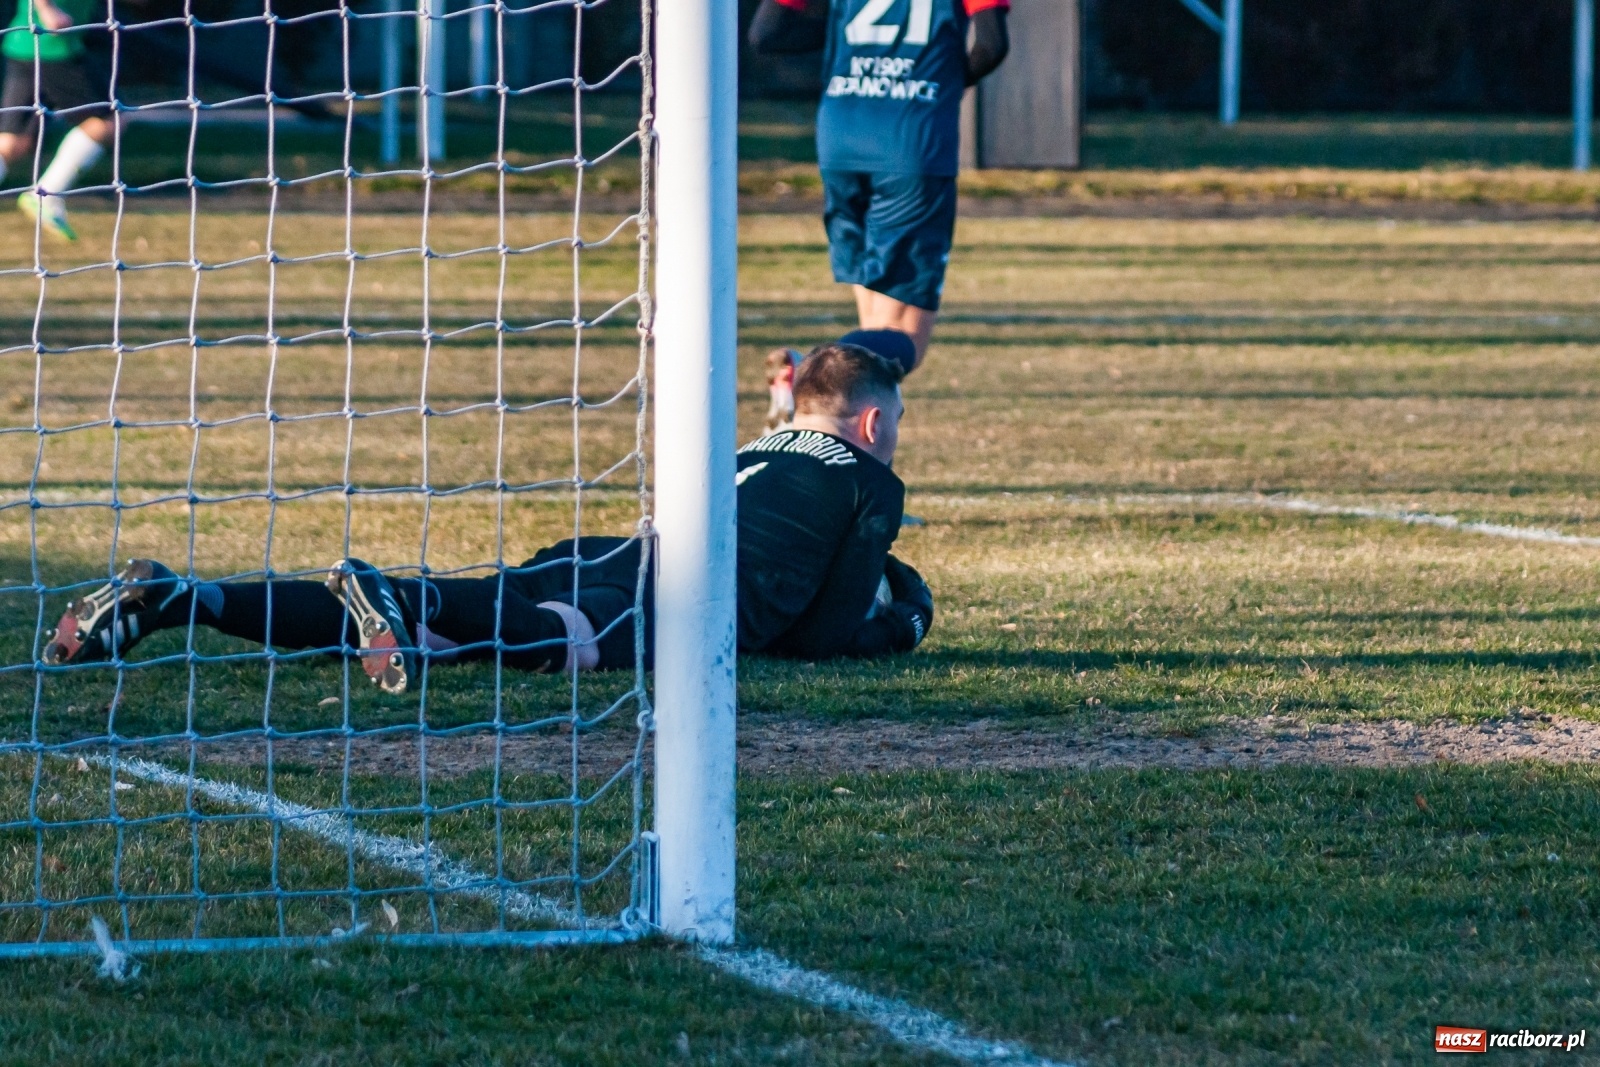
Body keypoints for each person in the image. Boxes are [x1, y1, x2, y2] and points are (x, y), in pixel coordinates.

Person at [41, 343, 935, 692]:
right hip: (679, 589)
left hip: (620, 550)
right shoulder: (870, 481)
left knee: (434, 628)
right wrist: (898, 624)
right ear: (871, 422)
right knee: (566, 639)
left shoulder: (756, 447)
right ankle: (382, 590)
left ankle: (186, 597)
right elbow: (821, 634)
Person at [750, 0, 1010, 427]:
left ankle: (849, 441)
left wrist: (850, 41)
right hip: (911, 140)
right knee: (903, 337)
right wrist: (943, 75)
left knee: (875, 326)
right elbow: (992, 43)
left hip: (842, 135)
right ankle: (805, 373)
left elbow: (767, 34)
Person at [0, 0, 114, 241]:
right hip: (53, 45)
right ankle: (46, 194)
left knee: (11, 144)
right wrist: (46, 9)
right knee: (107, 121)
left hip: (25, 44)